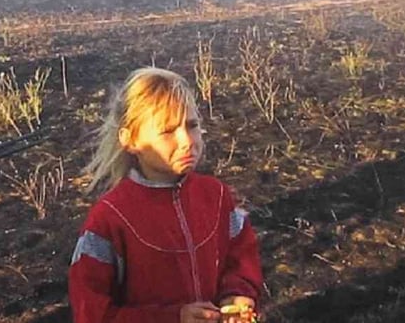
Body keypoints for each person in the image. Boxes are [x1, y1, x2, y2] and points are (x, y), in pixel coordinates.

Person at [69, 68, 263, 322]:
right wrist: (173, 318)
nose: (187, 141)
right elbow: (91, 313)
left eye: (192, 125)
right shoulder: (109, 219)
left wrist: (237, 296)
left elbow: (240, 258)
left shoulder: (216, 196)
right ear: (130, 139)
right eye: (167, 131)